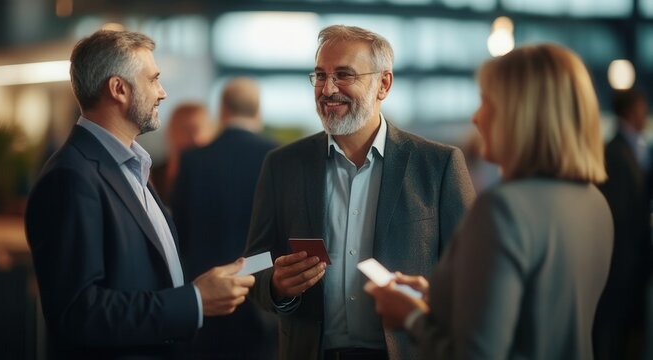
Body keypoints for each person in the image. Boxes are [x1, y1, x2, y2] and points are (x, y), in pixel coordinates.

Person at [365, 43, 614, 359]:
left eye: (486, 102)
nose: (476, 118)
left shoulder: (502, 209)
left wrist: (411, 319)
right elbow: (533, 317)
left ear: (519, 114)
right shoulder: (594, 204)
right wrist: (439, 298)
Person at [243, 25, 475, 360]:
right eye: (320, 75)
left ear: (383, 84)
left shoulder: (438, 166)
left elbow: (470, 276)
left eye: (343, 74)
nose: (328, 88)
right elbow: (252, 262)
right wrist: (275, 285)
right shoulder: (283, 165)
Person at [24, 30, 254, 359]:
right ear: (119, 89)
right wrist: (195, 301)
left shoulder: (131, 166)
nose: (162, 92)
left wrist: (202, 286)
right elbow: (77, 313)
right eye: (153, 80)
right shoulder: (70, 178)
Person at [171, 77, 278, 359]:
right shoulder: (278, 157)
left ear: (221, 111)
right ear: (259, 112)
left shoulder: (193, 160)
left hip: (204, 298)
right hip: (260, 298)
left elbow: (177, 232)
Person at [593, 88, 653, 360]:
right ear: (631, 110)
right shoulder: (615, 151)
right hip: (622, 259)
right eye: (642, 108)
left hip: (634, 259)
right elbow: (617, 211)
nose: (646, 114)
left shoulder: (635, 148)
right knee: (615, 330)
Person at [151, 102, 214, 206]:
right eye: (184, 130)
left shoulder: (216, 179)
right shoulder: (150, 176)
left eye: (195, 131)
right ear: (169, 133)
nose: (191, 139)